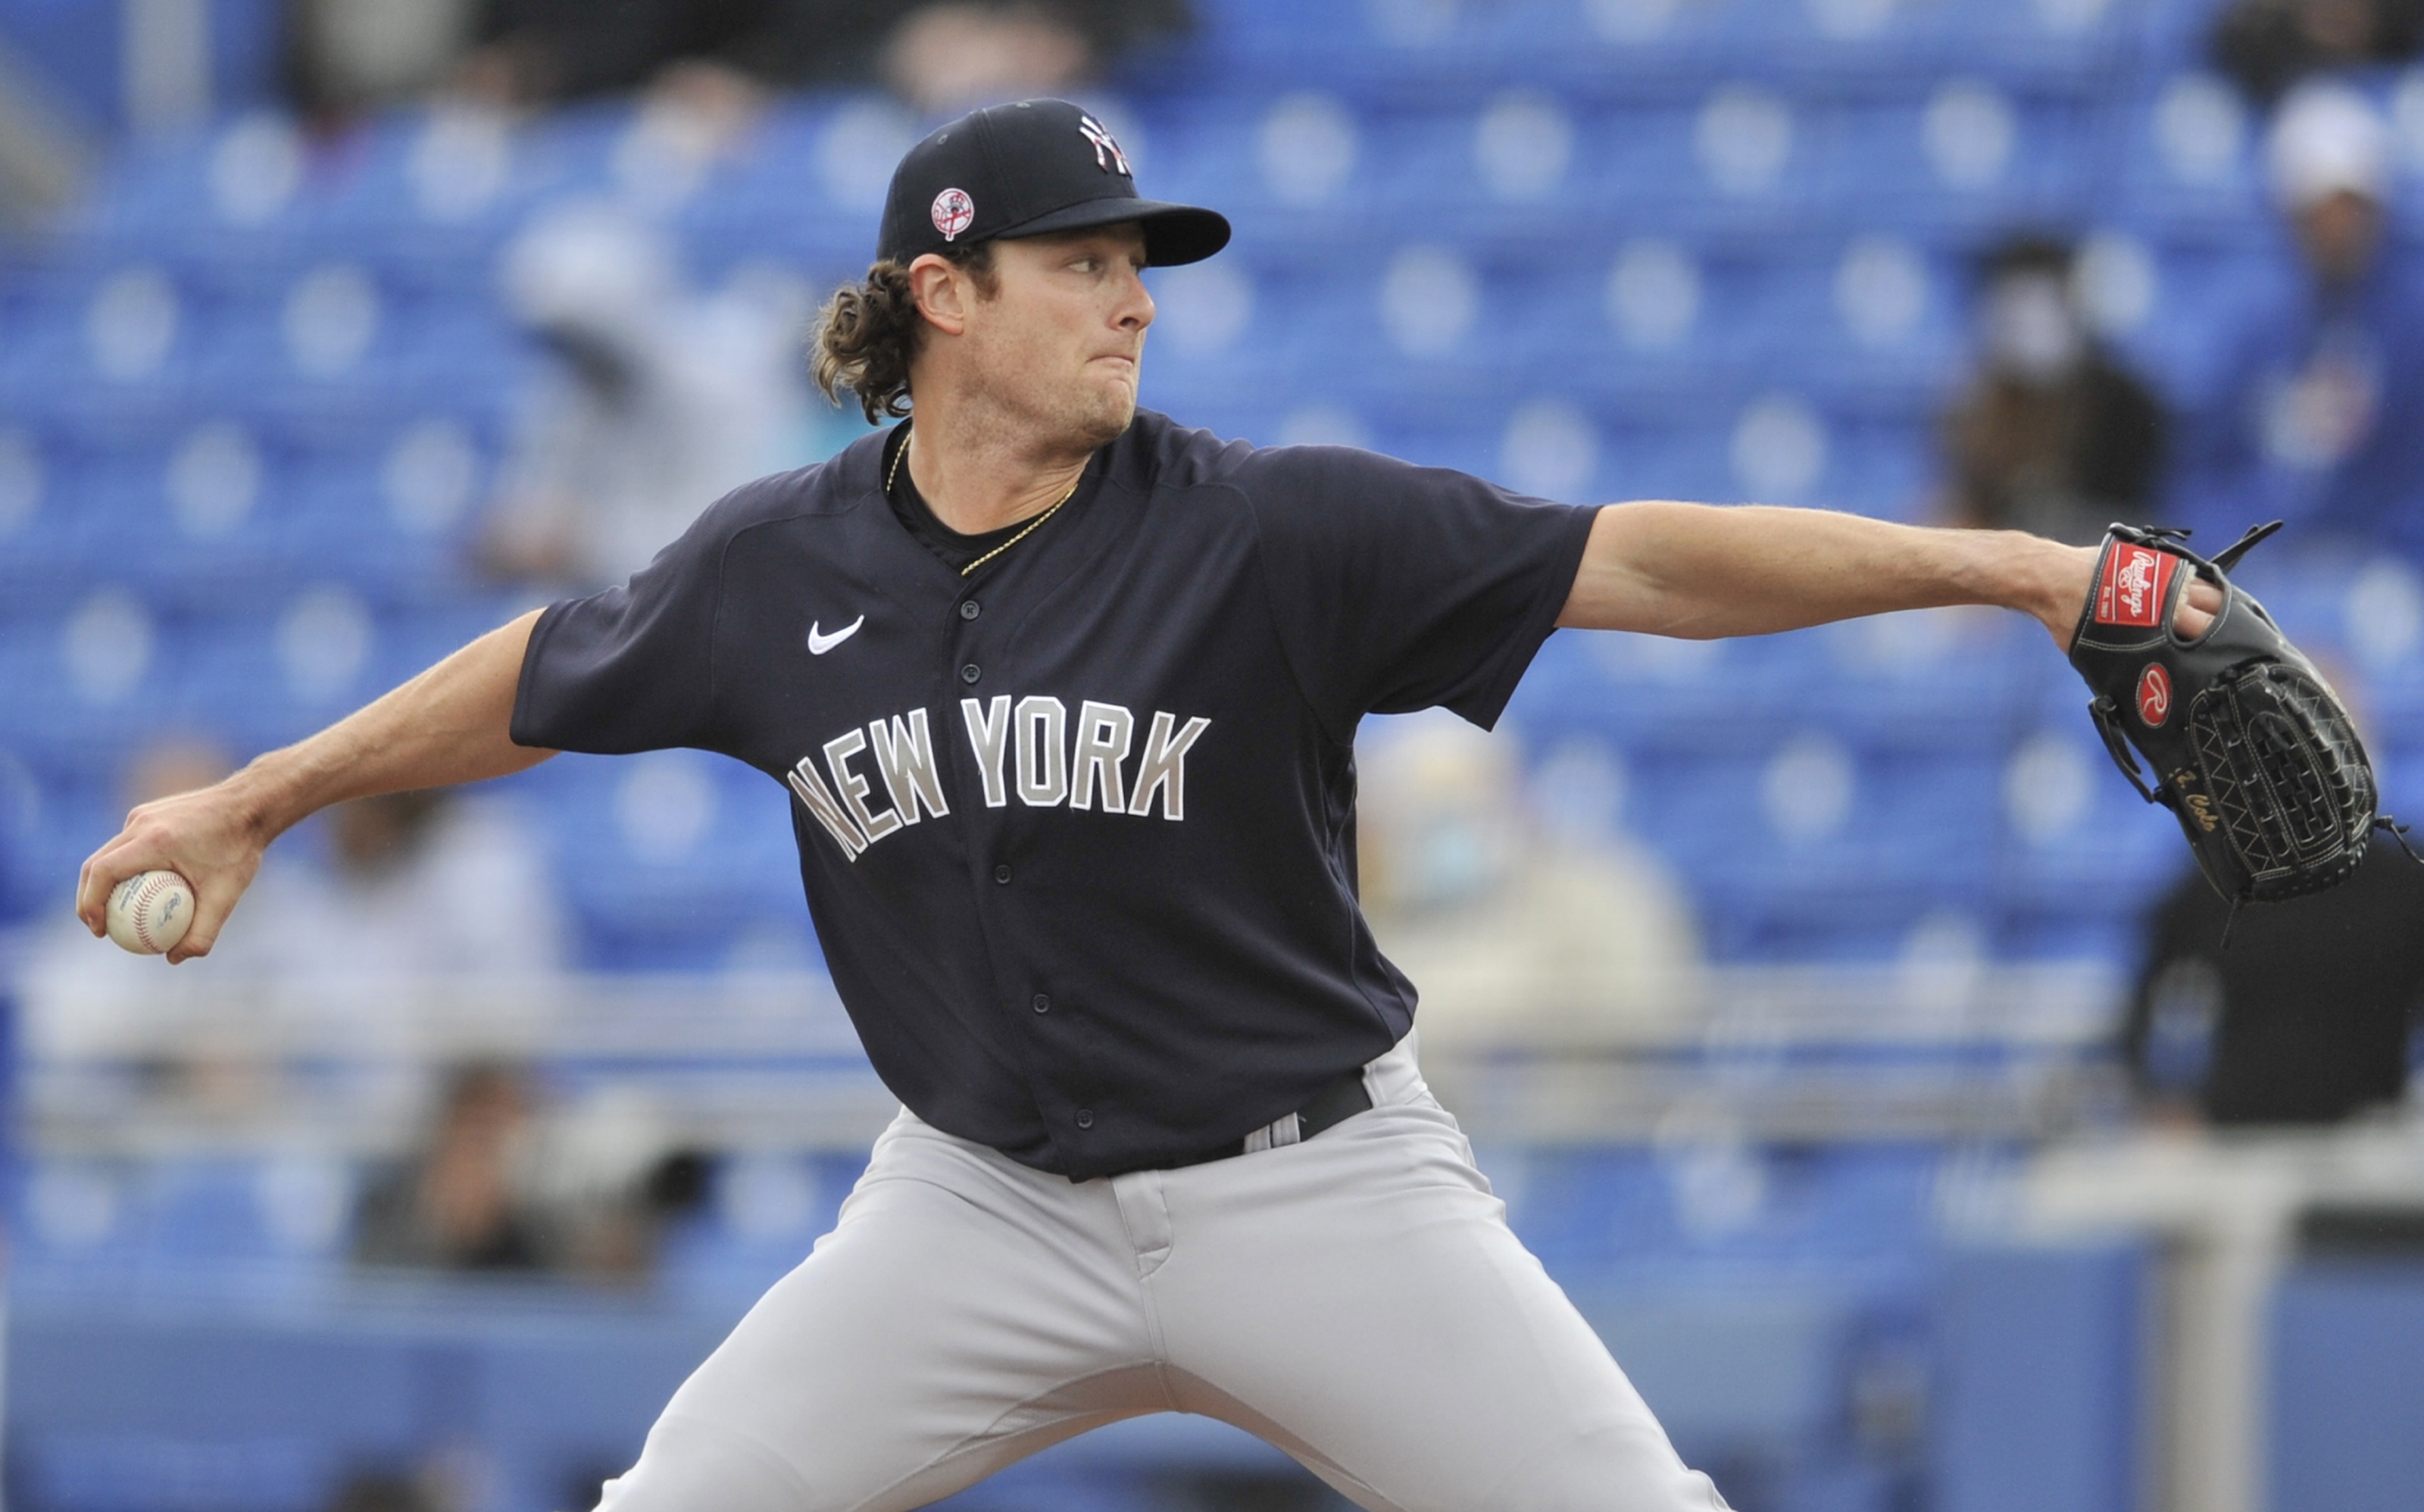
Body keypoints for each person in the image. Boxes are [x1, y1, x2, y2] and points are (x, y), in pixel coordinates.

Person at [80, 98, 2213, 1512]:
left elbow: (1645, 555)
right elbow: (537, 678)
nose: (1133, 293)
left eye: (1141, 257)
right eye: (1081, 258)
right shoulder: (774, 567)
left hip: (1317, 1189)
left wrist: (2020, 570)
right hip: (978, 1207)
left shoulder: (1273, 530)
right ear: (945, 294)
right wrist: (261, 801)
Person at [2186, 83, 2424, 563]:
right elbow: (2205, 471)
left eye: (2352, 207)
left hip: (2386, 568)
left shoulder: (2411, 322)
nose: (2338, 228)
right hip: (2262, 564)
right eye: (2321, 211)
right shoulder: (2251, 324)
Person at [2126, 832, 2424, 1126]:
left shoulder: (2403, 878)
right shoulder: (2227, 875)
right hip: (2242, 1127)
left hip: (2369, 1133)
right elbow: (2150, 979)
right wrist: (2158, 1095)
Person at [1936, 235, 2167, 547]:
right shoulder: (1976, 406)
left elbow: (2146, 514)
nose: (2033, 323)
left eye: (2045, 305)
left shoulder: (2126, 404)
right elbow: (1962, 509)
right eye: (2018, 307)